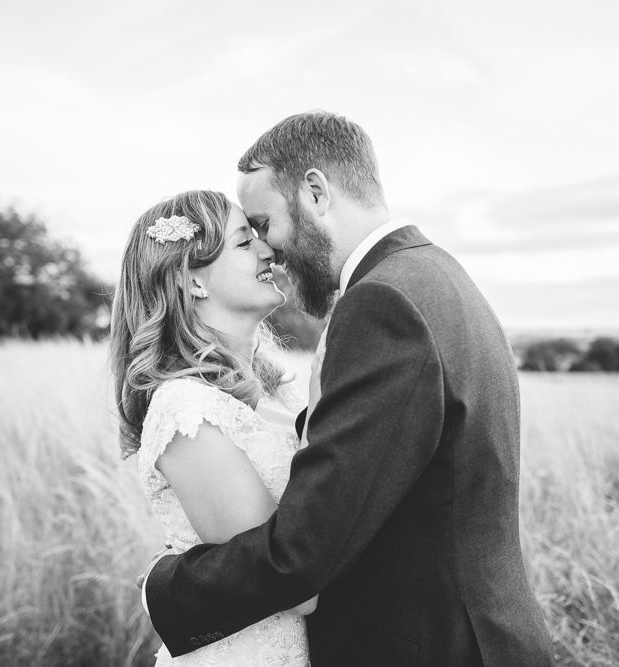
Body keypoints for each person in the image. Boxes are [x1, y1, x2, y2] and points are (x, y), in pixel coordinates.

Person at [140, 112, 555, 665]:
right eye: (251, 236)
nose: (270, 249)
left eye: (263, 223)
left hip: (434, 646)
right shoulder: (434, 273)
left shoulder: (381, 304)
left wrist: (162, 589)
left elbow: (301, 557)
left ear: (314, 192)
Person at [110, 190, 318, 664]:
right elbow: (293, 587)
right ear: (191, 281)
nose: (270, 250)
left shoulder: (278, 387)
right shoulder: (187, 411)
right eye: (245, 243)